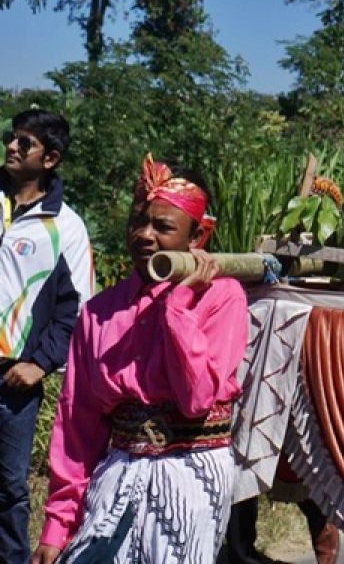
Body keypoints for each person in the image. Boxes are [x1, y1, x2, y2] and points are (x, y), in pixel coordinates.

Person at [33, 156, 248, 564]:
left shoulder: (223, 298)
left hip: (190, 475)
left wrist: (177, 308)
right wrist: (57, 525)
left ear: (198, 236)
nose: (144, 235)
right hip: (118, 471)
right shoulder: (100, 311)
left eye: (163, 227)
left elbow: (197, 398)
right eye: (138, 221)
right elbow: (78, 424)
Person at [0, 110, 93, 564]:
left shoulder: (67, 227)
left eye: (25, 142)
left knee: (8, 488)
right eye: (10, 138)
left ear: (51, 158)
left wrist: (39, 364)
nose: (12, 147)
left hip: (11, 379)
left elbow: (75, 310)